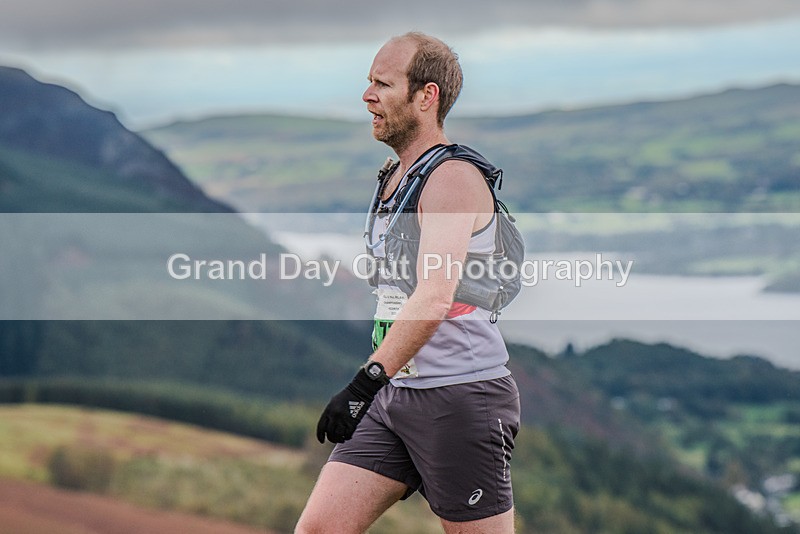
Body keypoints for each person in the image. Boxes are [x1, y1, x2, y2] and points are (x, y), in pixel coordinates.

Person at [295, 32, 520, 534]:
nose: (366, 95)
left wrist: (362, 384)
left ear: (426, 96)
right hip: (395, 393)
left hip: (459, 398)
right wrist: (378, 385)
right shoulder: (398, 176)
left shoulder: (452, 178)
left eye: (382, 83)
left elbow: (435, 295)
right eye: (368, 82)